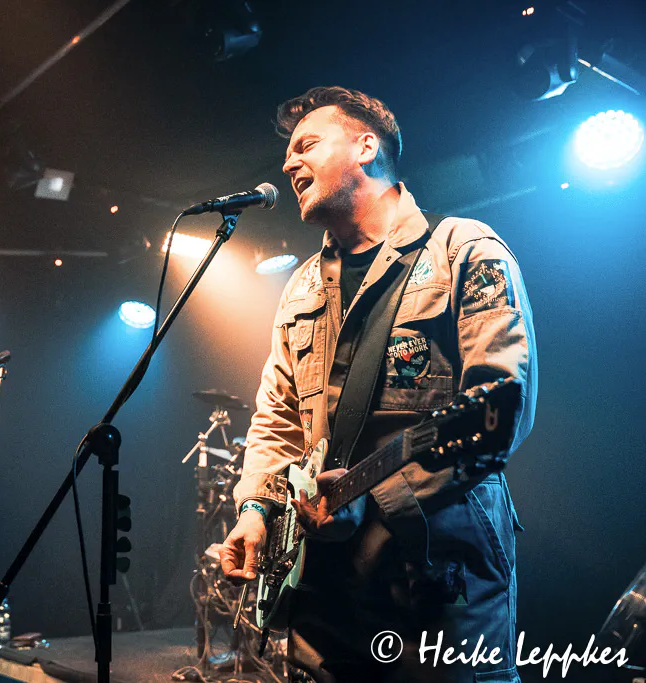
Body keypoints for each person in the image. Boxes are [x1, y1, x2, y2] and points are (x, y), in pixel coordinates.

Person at [219, 87, 537, 682]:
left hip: (434, 574)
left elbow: (502, 405)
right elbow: (277, 418)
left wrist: (378, 496)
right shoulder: (302, 286)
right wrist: (257, 510)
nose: (288, 163)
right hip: (321, 581)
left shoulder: (464, 249)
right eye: (288, 152)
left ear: (366, 147)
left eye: (306, 145)